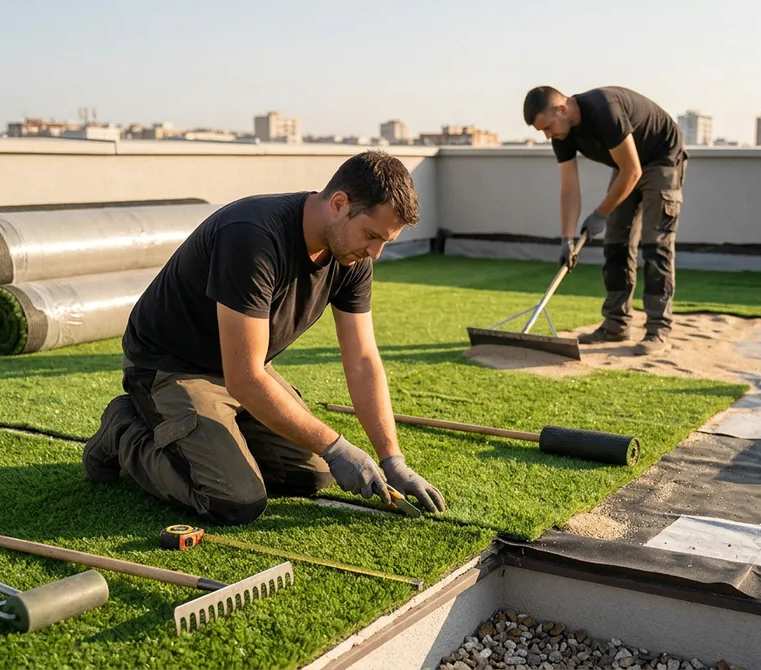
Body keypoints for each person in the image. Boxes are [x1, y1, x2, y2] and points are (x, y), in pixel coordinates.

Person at [82, 150, 446, 526]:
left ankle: (217, 436)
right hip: (171, 367)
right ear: (339, 204)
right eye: (371, 236)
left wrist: (392, 460)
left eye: (384, 241)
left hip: (244, 365)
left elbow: (363, 360)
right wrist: (337, 446)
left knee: (313, 474)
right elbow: (245, 378)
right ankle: (123, 429)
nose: (376, 253)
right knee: (235, 501)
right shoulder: (252, 236)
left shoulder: (352, 259)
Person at [522, 85, 688, 355]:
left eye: (548, 127)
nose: (548, 135)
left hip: (661, 157)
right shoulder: (561, 135)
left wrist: (600, 213)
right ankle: (616, 324)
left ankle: (658, 329)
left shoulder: (604, 110)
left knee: (655, 244)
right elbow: (569, 188)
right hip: (626, 166)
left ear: (562, 108)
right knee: (616, 242)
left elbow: (632, 171)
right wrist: (567, 238)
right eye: (542, 131)